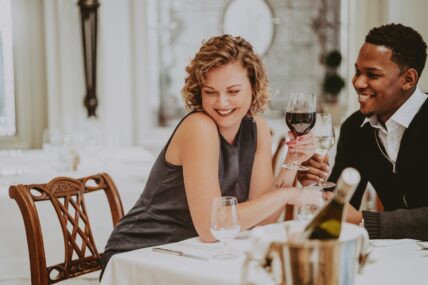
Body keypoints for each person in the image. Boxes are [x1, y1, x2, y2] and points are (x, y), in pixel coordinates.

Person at [100, 35, 317, 277]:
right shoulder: (199, 127)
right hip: (141, 255)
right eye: (210, 92)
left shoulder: (257, 128)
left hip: (192, 254)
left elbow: (263, 221)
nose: (222, 103)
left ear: (254, 87)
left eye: (233, 91)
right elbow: (211, 228)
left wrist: (293, 162)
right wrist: (290, 194)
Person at [302, 23, 428, 240]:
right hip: (397, 258)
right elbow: (343, 205)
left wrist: (364, 221)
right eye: (357, 71)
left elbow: (354, 217)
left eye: (373, 74)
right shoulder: (355, 129)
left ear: (408, 79)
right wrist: (313, 186)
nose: (358, 82)